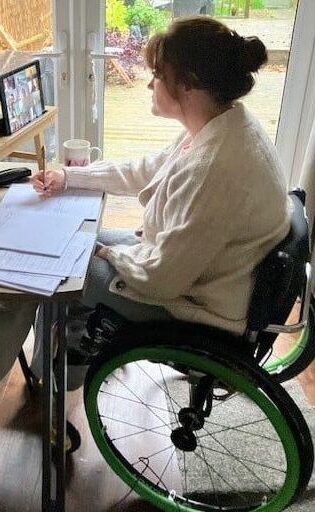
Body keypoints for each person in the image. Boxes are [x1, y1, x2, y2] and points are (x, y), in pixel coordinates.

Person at [30, 16, 291, 389]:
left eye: (157, 74)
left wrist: (110, 254)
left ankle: (50, 383)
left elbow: (159, 280)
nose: (150, 83)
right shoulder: (225, 124)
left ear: (189, 84)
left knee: (61, 270)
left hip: (198, 306)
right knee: (80, 242)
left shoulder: (217, 168)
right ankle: (76, 355)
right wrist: (69, 177)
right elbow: (146, 169)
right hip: (201, 272)